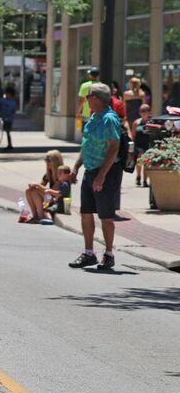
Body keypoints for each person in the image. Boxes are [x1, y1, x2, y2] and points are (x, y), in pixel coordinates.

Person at [69, 83, 122, 270]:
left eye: (89, 95)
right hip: (90, 171)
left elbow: (114, 147)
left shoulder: (109, 119)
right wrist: (76, 167)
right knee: (86, 213)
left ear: (97, 98)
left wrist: (102, 175)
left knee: (106, 216)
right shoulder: (93, 117)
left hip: (106, 173)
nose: (86, 98)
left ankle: (108, 254)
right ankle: (89, 253)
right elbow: (86, 145)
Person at [131, 103, 151, 186]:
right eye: (141, 111)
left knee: (146, 162)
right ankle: (138, 176)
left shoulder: (151, 122)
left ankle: (145, 180)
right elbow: (133, 135)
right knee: (139, 160)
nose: (142, 112)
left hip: (148, 145)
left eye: (145, 110)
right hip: (139, 145)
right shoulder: (136, 123)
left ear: (149, 112)